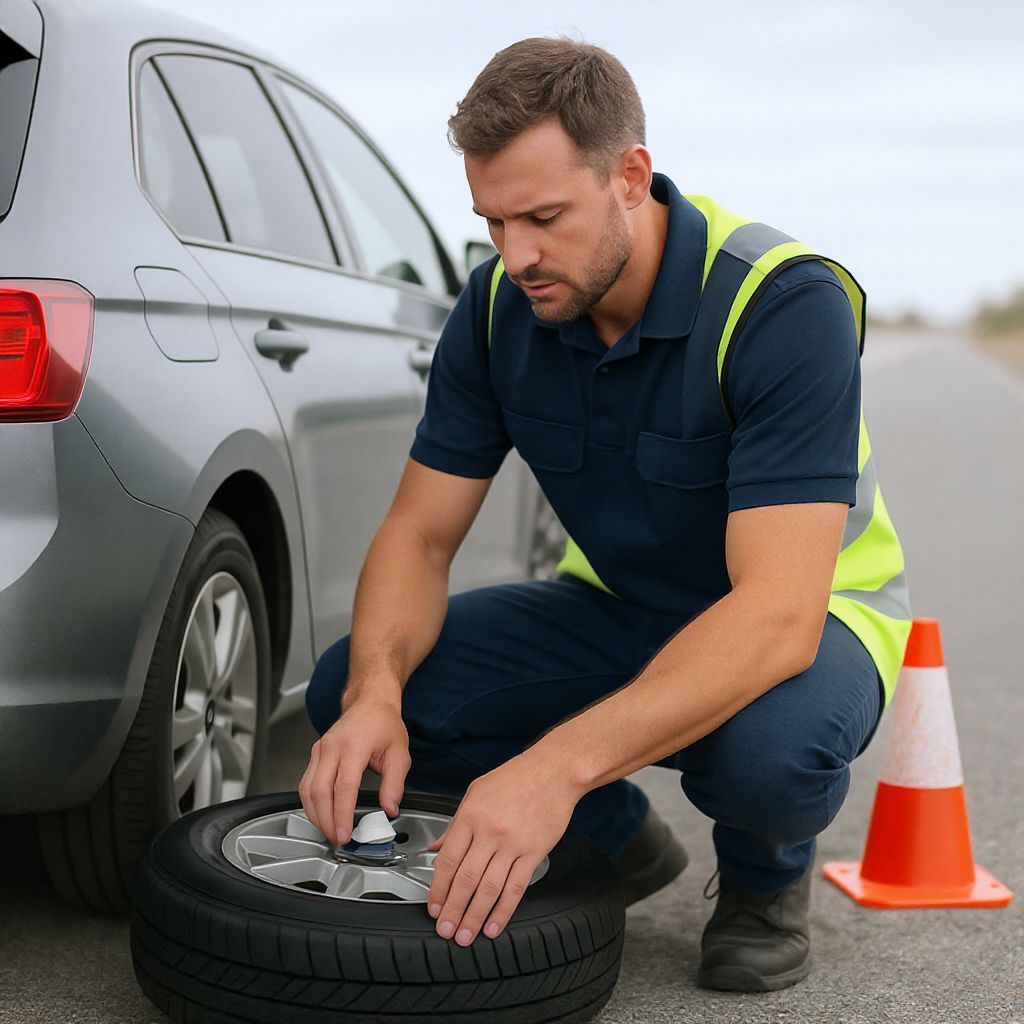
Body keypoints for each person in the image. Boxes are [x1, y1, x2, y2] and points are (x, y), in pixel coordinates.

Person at [300, 36, 912, 993]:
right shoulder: (501, 307)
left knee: (767, 759)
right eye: (493, 222)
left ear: (631, 175)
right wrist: (377, 695)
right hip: (622, 607)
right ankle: (619, 846)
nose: (518, 255)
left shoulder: (783, 302)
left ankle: (762, 880)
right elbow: (418, 536)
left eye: (544, 216)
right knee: (360, 683)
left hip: (809, 620)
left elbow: (775, 618)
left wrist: (553, 768)